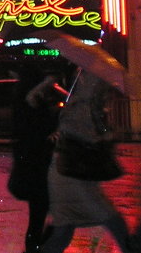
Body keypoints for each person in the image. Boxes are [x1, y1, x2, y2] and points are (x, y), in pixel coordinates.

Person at [41, 68, 132, 253]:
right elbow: (83, 135)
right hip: (71, 174)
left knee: (64, 229)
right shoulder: (82, 108)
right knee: (111, 219)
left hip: (71, 172)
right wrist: (106, 137)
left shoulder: (83, 107)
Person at [8, 65, 65, 253]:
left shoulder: (22, 100)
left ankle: (34, 247)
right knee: (50, 213)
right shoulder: (31, 102)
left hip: (29, 165)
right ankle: (37, 247)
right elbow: (40, 129)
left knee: (38, 215)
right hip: (38, 166)